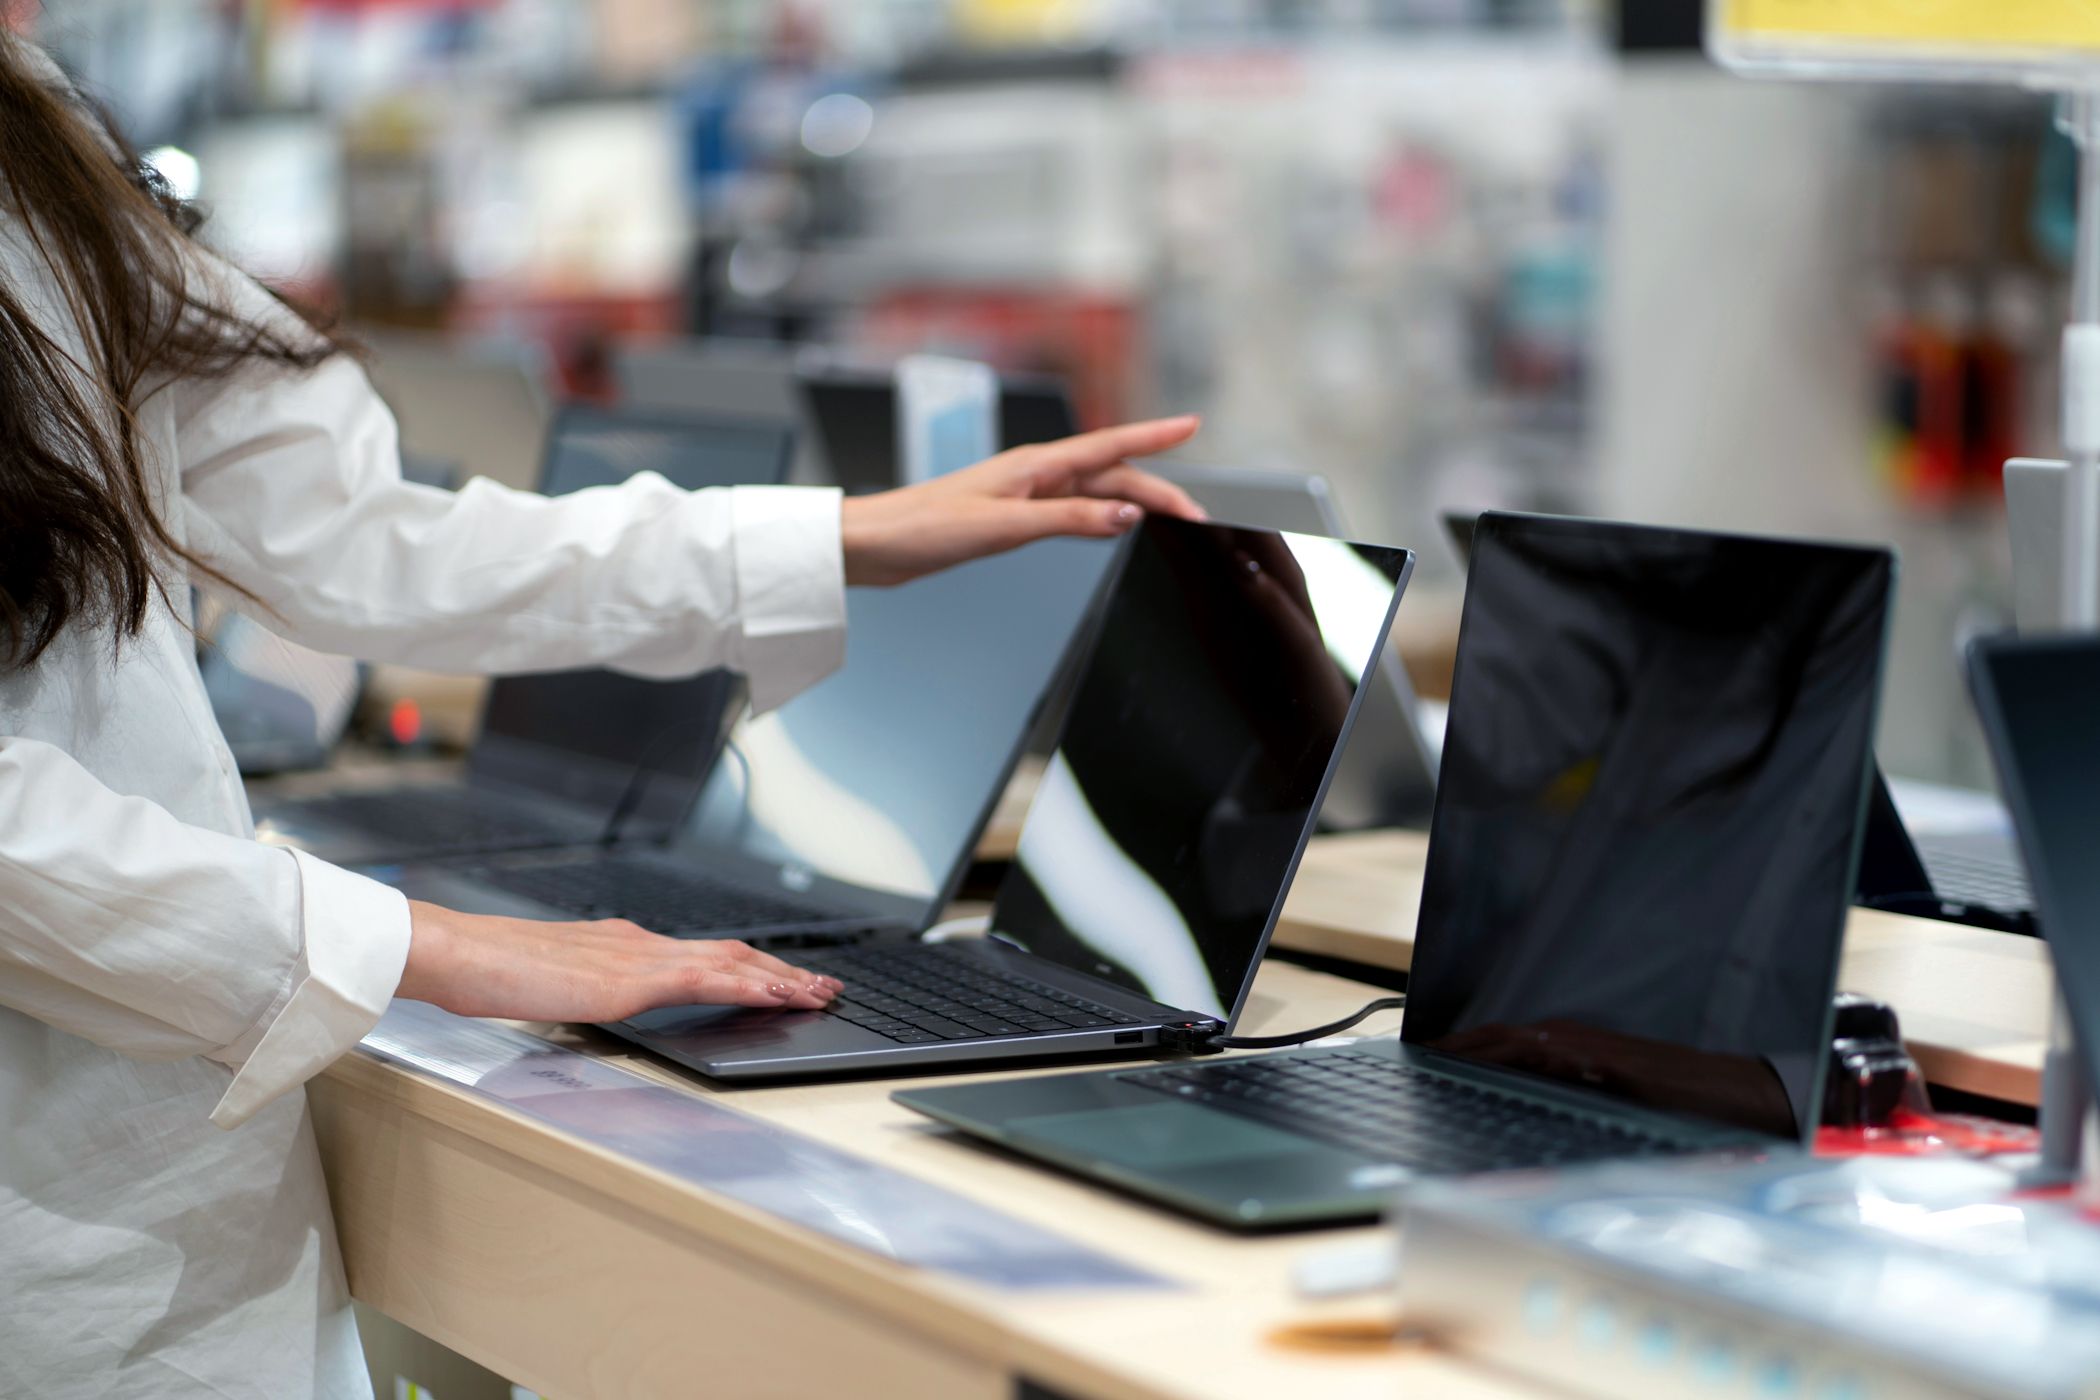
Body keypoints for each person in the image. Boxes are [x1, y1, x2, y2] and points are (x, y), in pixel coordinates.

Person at [0, 33, 1201, 1400]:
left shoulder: (36, 128)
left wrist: (842, 540)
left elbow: (356, 538)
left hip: (156, 1181)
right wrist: (439, 947)